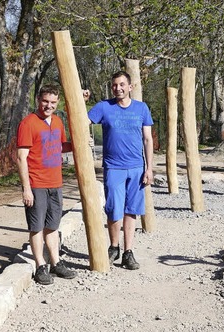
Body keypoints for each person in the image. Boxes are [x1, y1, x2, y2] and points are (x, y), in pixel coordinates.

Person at [86, 71, 154, 270]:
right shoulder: (104, 107)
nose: (118, 88)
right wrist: (83, 102)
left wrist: (149, 168)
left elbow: (148, 139)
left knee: (131, 210)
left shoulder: (141, 109)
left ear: (130, 87)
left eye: (122, 85)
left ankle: (128, 252)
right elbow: (83, 122)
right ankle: (113, 247)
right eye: (115, 85)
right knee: (114, 209)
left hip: (136, 168)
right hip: (113, 167)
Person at [17, 85, 77, 285]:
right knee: (36, 226)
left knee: (52, 225)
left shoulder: (58, 122)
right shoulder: (28, 123)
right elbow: (21, 158)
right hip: (36, 184)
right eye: (45, 101)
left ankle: (55, 262)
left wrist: (79, 143)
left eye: (52, 102)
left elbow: (61, 147)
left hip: (56, 183)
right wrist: (26, 188)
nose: (48, 106)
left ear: (57, 102)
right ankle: (40, 264)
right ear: (38, 100)